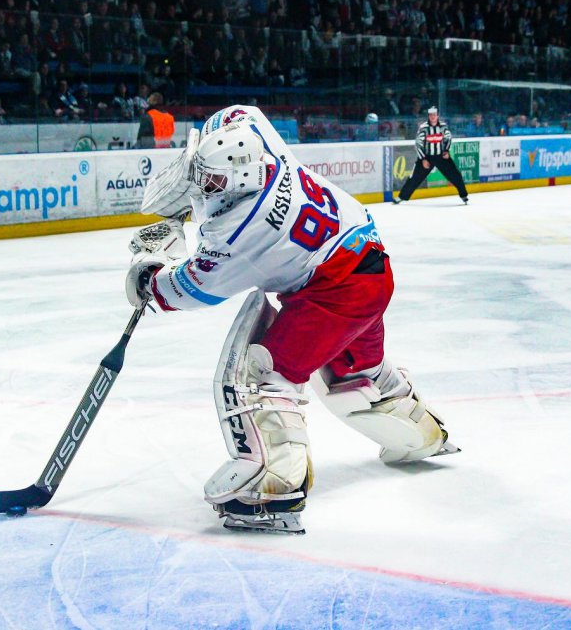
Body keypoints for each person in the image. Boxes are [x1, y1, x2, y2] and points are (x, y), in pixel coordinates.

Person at [126, 105, 459, 534]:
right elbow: (238, 113)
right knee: (356, 372)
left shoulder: (240, 231)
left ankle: (273, 488)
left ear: (241, 180)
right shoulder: (265, 144)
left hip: (336, 291)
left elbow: (187, 290)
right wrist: (199, 167)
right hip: (369, 264)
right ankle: (422, 433)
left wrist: (147, 274)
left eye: (212, 180)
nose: (204, 185)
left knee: (265, 375)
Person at [392, 106, 469, 205]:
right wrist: (423, 158)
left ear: (437, 116)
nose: (433, 116)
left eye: (434, 115)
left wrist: (446, 150)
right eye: (431, 115)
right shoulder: (423, 127)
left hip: (441, 156)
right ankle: (401, 197)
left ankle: (463, 195)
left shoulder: (443, 126)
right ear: (429, 116)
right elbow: (418, 143)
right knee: (414, 177)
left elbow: (448, 138)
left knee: (455, 174)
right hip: (427, 157)